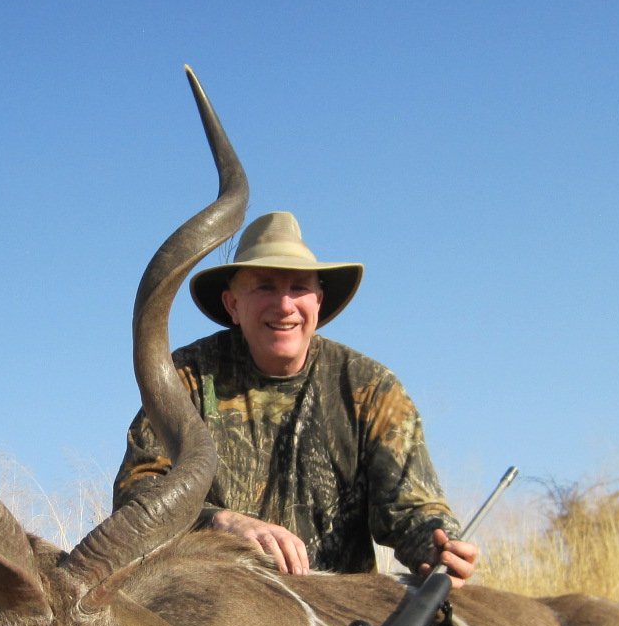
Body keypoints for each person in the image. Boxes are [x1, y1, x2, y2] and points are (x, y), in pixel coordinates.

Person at [114, 211, 478, 587]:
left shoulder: (369, 388)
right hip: (213, 600)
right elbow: (136, 497)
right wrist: (219, 523)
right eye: (265, 287)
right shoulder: (187, 378)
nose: (285, 305)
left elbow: (412, 509)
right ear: (232, 305)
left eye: (299, 287)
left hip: (336, 616)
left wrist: (440, 545)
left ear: (318, 302)